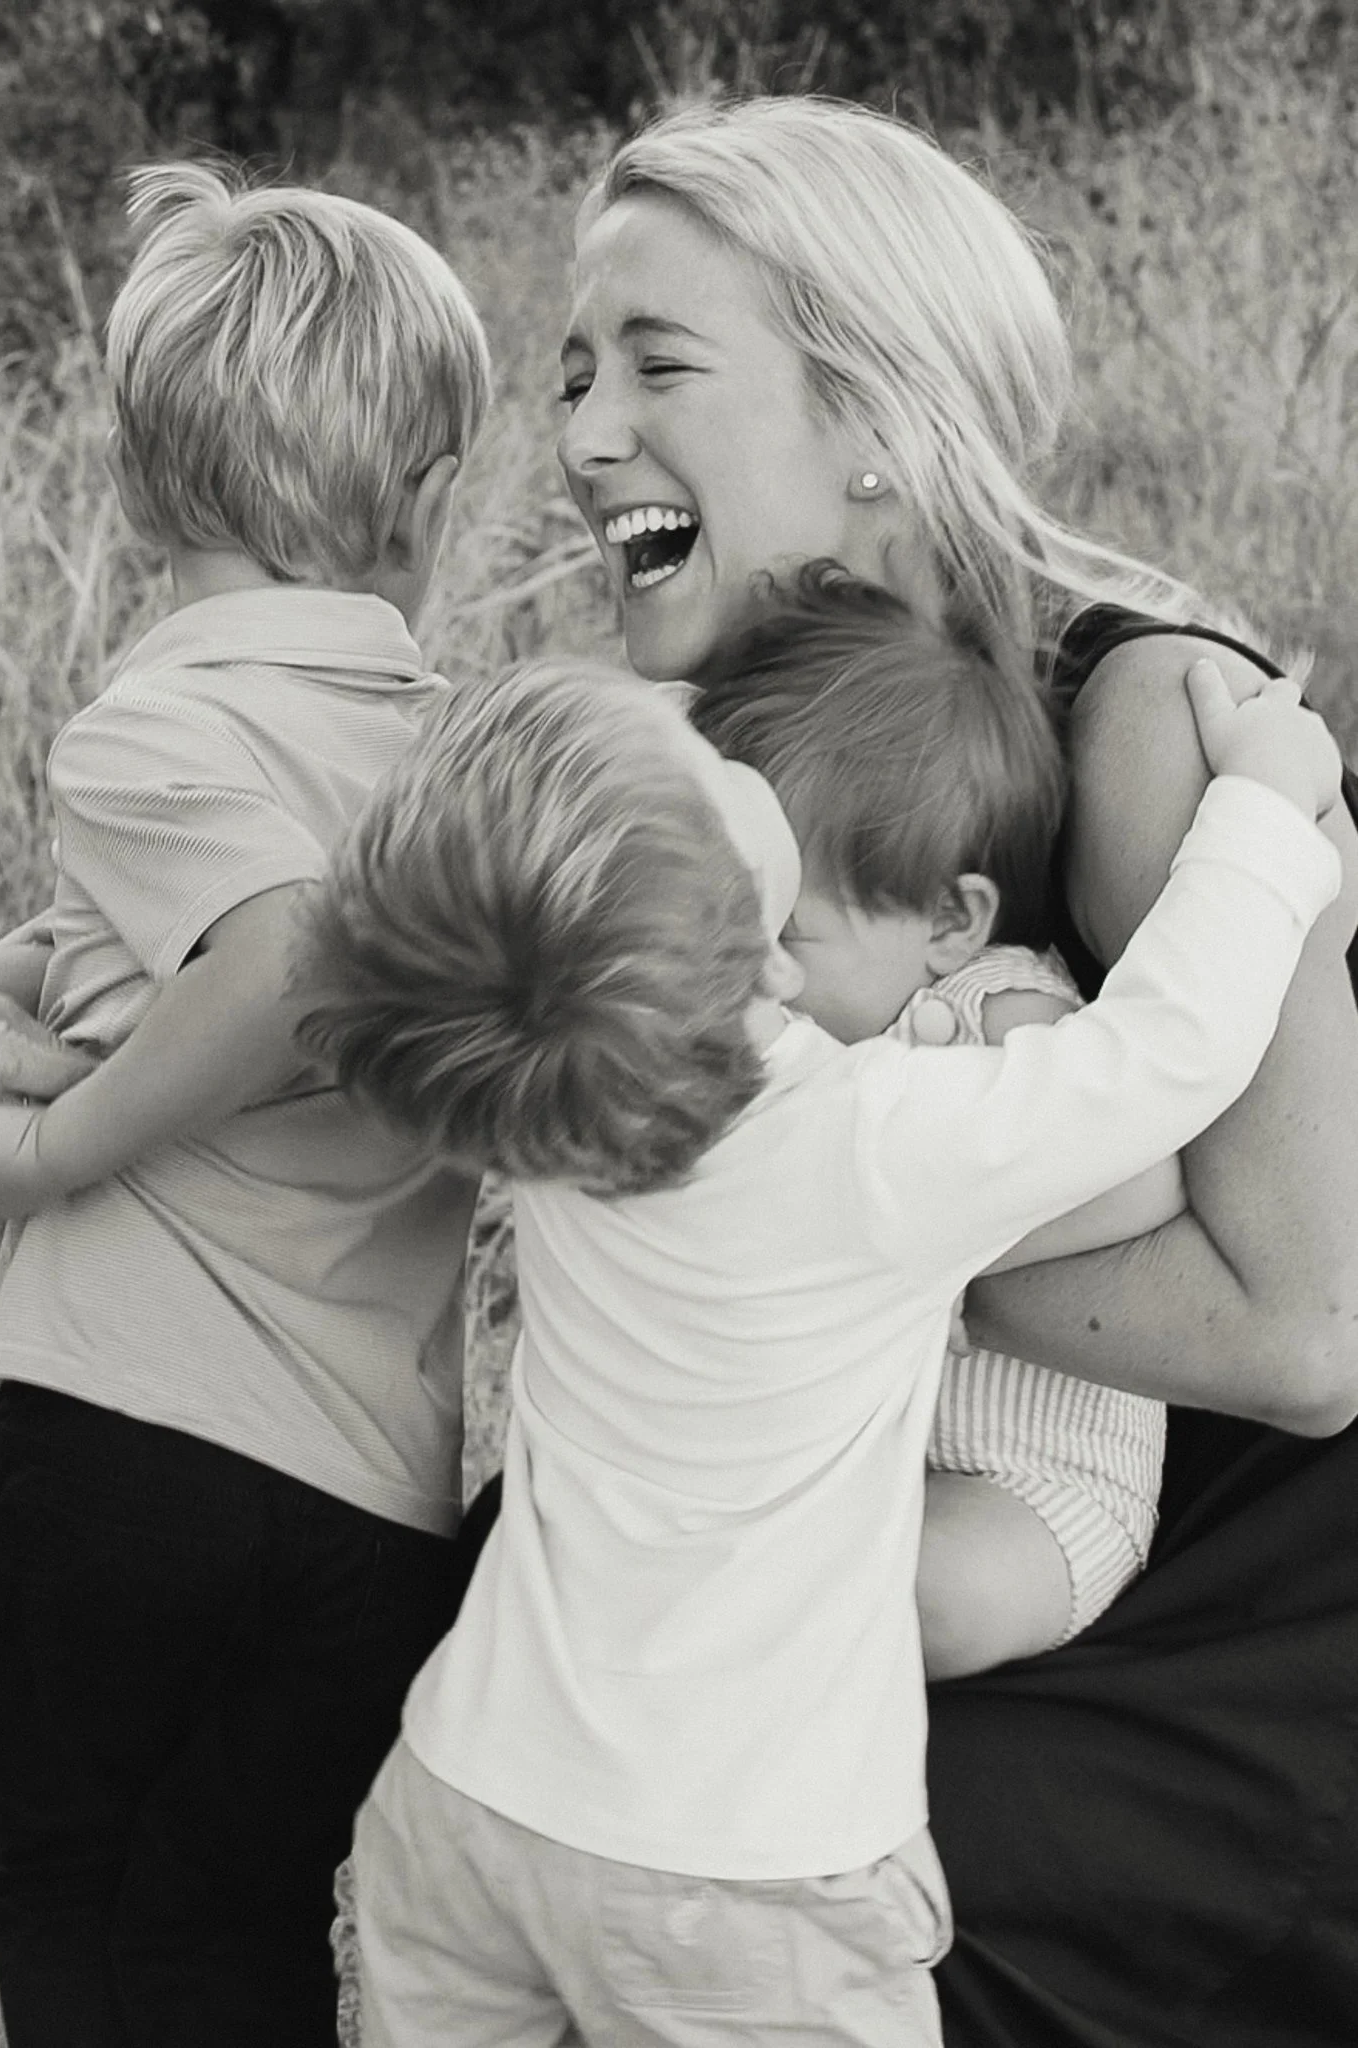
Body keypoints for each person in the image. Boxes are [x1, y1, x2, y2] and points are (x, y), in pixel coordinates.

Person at [540, 95, 1358, 2045]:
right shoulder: (727, 732)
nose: (578, 438)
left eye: (659, 364)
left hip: (1229, 1596)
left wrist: (824, 1214)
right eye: (573, 370)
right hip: (902, 1469)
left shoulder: (1150, 715)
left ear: (876, 411)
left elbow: (1305, 1333)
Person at [301, 649, 1338, 2048]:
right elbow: (1169, 1054)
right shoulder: (866, 1149)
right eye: (710, 770)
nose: (699, 723)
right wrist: (1270, 807)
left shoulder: (551, 1128)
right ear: (733, 914)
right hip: (735, 1872)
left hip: (463, 1811)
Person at [0, 162, 491, 2048]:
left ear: (131, 480)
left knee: (74, 1903)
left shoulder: (149, 726)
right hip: (371, 1504)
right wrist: (43, 963)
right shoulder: (459, 758)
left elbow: (269, 952)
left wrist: (40, 1147)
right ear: (426, 503)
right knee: (243, 1925)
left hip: (130, 1445)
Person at [692, 563, 1188, 1677]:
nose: (746, 973)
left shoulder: (997, 1011)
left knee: (928, 1596)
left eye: (784, 930)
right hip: (865, 1462)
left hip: (1034, 1481)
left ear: (950, 920)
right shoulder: (785, 1037)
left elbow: (1140, 1180)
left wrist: (912, 1235)